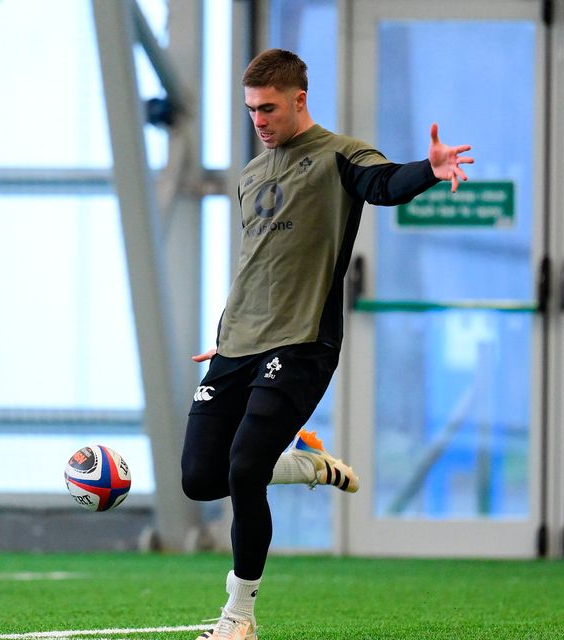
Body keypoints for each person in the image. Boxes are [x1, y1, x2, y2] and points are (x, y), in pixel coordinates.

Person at [180, 48, 473, 640]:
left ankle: (239, 617)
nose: (258, 121)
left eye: (268, 109)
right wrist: (224, 338)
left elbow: (383, 184)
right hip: (238, 341)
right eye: (250, 111)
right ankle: (302, 465)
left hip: (304, 341)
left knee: (242, 467)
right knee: (200, 478)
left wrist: (429, 169)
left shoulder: (340, 155)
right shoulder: (250, 175)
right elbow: (255, 266)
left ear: (299, 100)